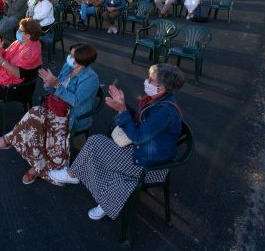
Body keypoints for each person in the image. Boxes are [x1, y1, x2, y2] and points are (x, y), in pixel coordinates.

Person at [49, 63, 184, 221]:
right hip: (144, 152)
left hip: (151, 165)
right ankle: (106, 203)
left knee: (95, 143)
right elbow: (141, 122)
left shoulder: (164, 111)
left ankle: (73, 174)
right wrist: (123, 105)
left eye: (150, 79)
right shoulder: (158, 100)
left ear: (161, 88)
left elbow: (138, 137)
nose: (146, 81)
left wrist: (121, 110)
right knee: (107, 158)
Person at [0, 43, 100, 186]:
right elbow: (53, 90)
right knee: (35, 117)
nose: (69, 58)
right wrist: (48, 84)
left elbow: (76, 101)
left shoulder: (91, 78)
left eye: (72, 56)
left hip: (71, 115)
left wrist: (56, 85)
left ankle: (9, 141)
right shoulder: (68, 67)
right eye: (70, 54)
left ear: (82, 61)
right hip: (54, 108)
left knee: (35, 119)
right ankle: (36, 165)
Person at [0, 18, 43, 139]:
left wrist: (1, 61)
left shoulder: (31, 50)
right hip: (10, 77)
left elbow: (19, 74)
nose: (17, 31)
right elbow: (8, 55)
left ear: (29, 35)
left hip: (21, 87)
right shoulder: (21, 42)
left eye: (20, 30)